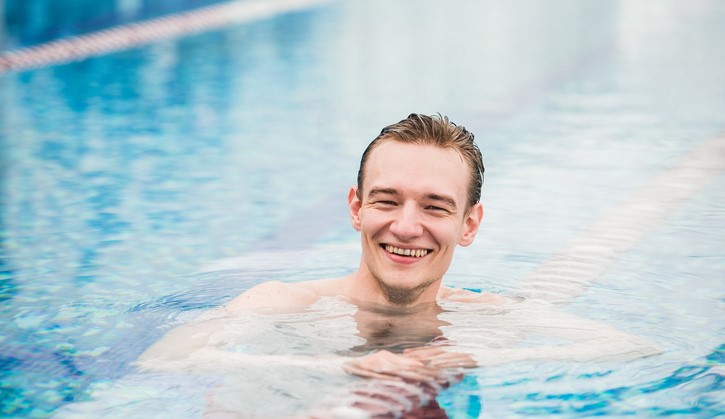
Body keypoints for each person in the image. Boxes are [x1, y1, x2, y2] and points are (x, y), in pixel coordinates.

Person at [138, 113, 661, 417]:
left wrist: (469, 358)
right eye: (387, 200)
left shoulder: (490, 319)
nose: (407, 227)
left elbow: (633, 347)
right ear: (356, 207)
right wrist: (336, 368)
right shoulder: (281, 304)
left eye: (435, 207)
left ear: (469, 225)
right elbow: (164, 361)